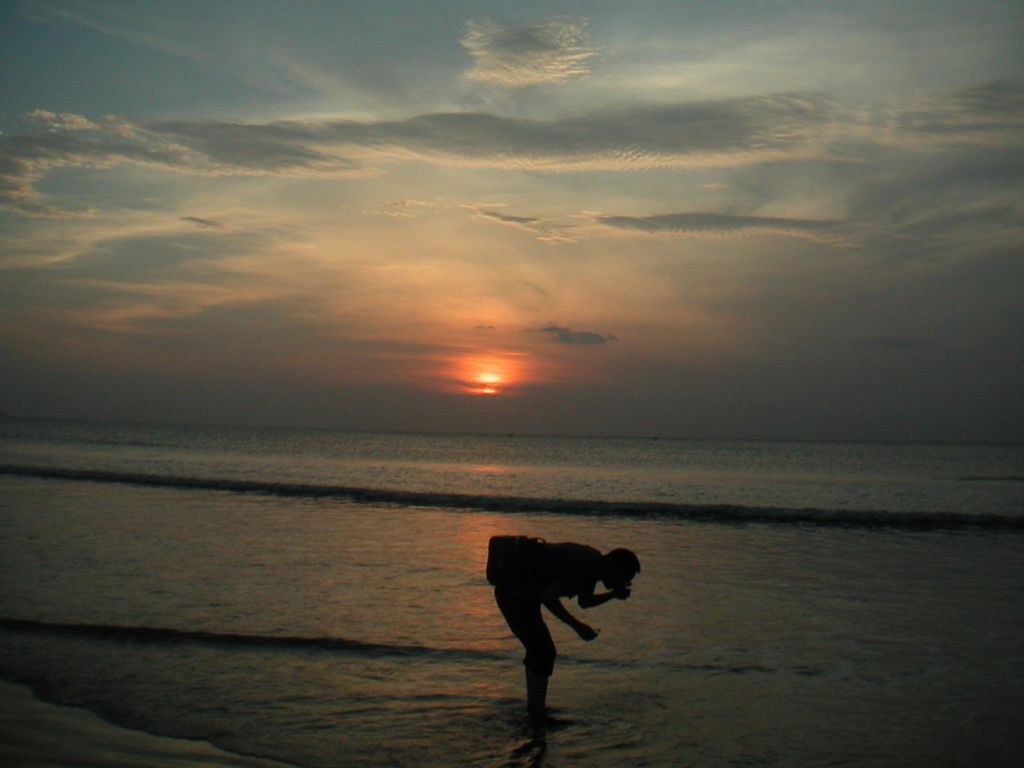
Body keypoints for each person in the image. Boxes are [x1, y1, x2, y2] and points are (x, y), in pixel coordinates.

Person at [488, 537, 640, 719]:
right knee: (543, 651)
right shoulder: (588, 566)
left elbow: (584, 602)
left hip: (524, 592)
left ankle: (535, 708)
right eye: (623, 578)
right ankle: (536, 711)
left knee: (541, 651)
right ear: (616, 567)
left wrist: (613, 595)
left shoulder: (593, 564)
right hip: (514, 591)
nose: (622, 583)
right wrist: (577, 627)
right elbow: (549, 598)